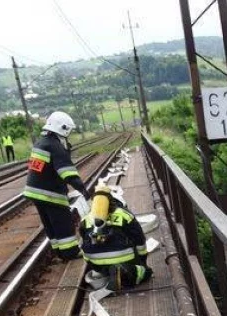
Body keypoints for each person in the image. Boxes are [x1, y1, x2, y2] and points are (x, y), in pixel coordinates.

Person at [23, 112, 87, 260]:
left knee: (50, 225)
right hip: (49, 193)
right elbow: (67, 172)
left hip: (34, 193)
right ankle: (70, 253)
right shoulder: (55, 146)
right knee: (63, 223)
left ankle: (59, 252)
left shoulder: (41, 143)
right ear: (63, 128)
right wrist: (82, 189)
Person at [80, 183, 152, 291]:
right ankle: (122, 270)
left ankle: (102, 274)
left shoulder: (85, 220)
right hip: (125, 259)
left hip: (96, 264)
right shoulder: (124, 215)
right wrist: (142, 261)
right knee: (146, 273)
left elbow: (84, 241)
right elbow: (139, 239)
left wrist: (92, 263)